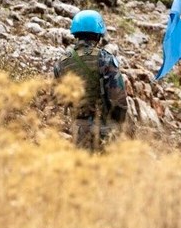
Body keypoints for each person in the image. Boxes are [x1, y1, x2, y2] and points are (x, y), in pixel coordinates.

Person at [52, 10, 128, 150]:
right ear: (98, 35)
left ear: (75, 34)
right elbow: (118, 101)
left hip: (78, 132)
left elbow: (58, 98)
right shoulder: (105, 59)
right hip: (104, 131)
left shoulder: (61, 63)